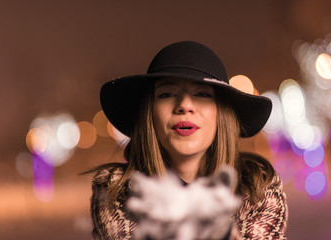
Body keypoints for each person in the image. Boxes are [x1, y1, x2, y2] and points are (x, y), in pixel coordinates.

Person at [90, 41, 288, 239]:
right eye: (167, 94)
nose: (184, 105)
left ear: (222, 113)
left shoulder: (258, 187)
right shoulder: (114, 189)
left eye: (202, 94)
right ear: (148, 113)